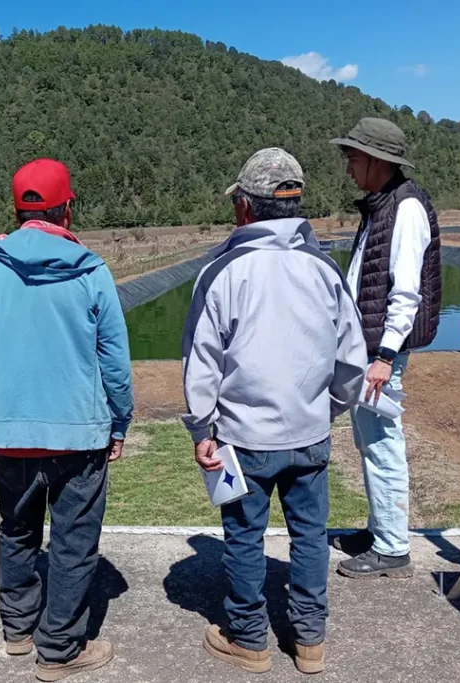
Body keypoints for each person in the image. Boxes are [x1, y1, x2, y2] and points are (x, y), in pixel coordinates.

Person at [182, 148, 366, 675]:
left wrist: (202, 427)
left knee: (245, 536)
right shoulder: (324, 269)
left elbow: (202, 362)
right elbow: (351, 358)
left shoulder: (222, 271)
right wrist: (326, 409)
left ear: (245, 205)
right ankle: (310, 641)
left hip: (244, 438)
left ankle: (249, 640)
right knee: (310, 535)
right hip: (309, 434)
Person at [0, 158, 134, 682]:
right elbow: (114, 361)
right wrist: (119, 421)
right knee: (74, 542)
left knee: (17, 530)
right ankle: (60, 649)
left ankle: (18, 630)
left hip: (10, 434)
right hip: (80, 436)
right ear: (67, 208)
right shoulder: (91, 271)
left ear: (17, 210)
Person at [329, 118, 441, 579]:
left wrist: (385, 356)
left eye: (354, 159)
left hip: (381, 354)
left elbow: (406, 293)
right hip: (372, 349)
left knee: (381, 443)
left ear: (377, 161)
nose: (349, 168)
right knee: (370, 440)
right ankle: (381, 530)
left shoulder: (405, 208)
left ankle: (392, 548)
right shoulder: (383, 206)